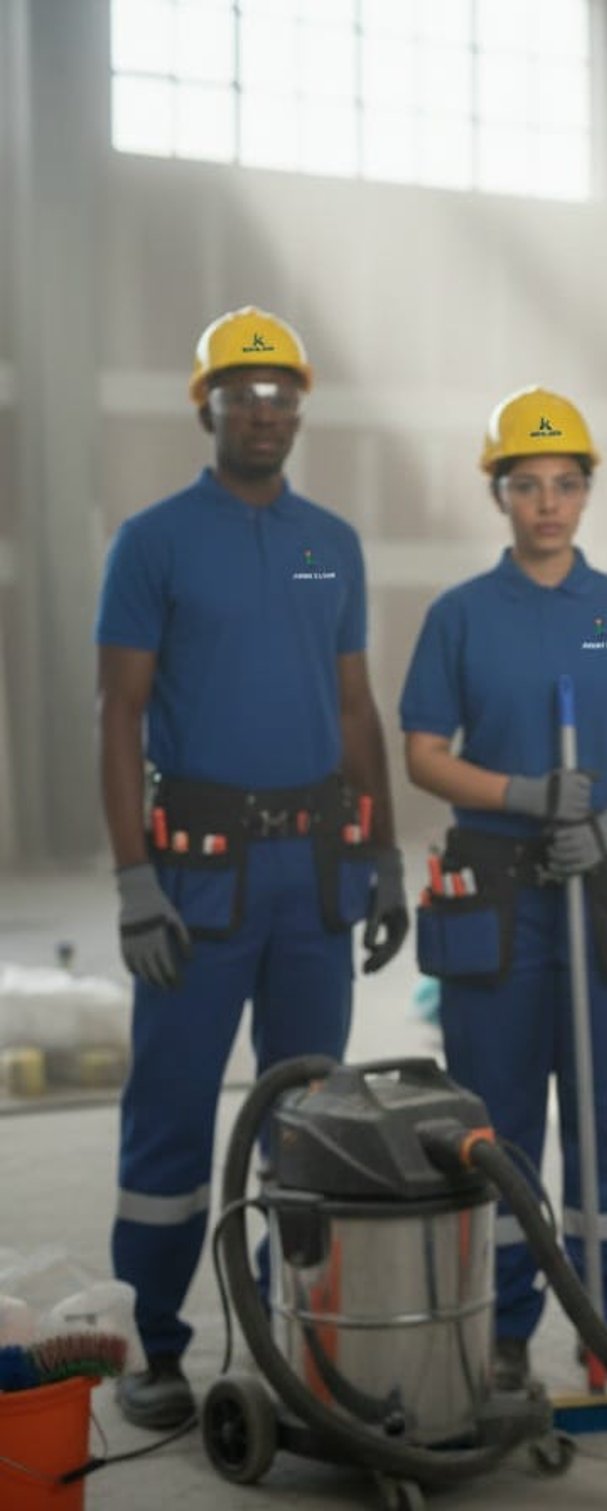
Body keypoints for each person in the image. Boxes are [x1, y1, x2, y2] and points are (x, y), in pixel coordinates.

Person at [96, 305, 409, 1428]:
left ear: (299, 411)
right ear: (210, 408)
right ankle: (156, 1345)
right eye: (243, 395)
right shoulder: (154, 542)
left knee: (312, 1117)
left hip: (313, 876)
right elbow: (118, 714)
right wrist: (135, 881)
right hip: (200, 877)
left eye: (281, 397)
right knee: (172, 1114)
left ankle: (297, 1343)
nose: (265, 413)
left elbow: (355, 706)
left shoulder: (334, 541)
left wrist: (383, 851)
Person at [400, 386, 607, 1391]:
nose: (548, 503)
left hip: (605, 894)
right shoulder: (462, 616)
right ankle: (507, 1327)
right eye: (527, 485)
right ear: (500, 494)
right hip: (497, 897)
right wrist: (522, 793)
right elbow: (424, 753)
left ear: (587, 491)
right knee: (502, 1122)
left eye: (566, 483)